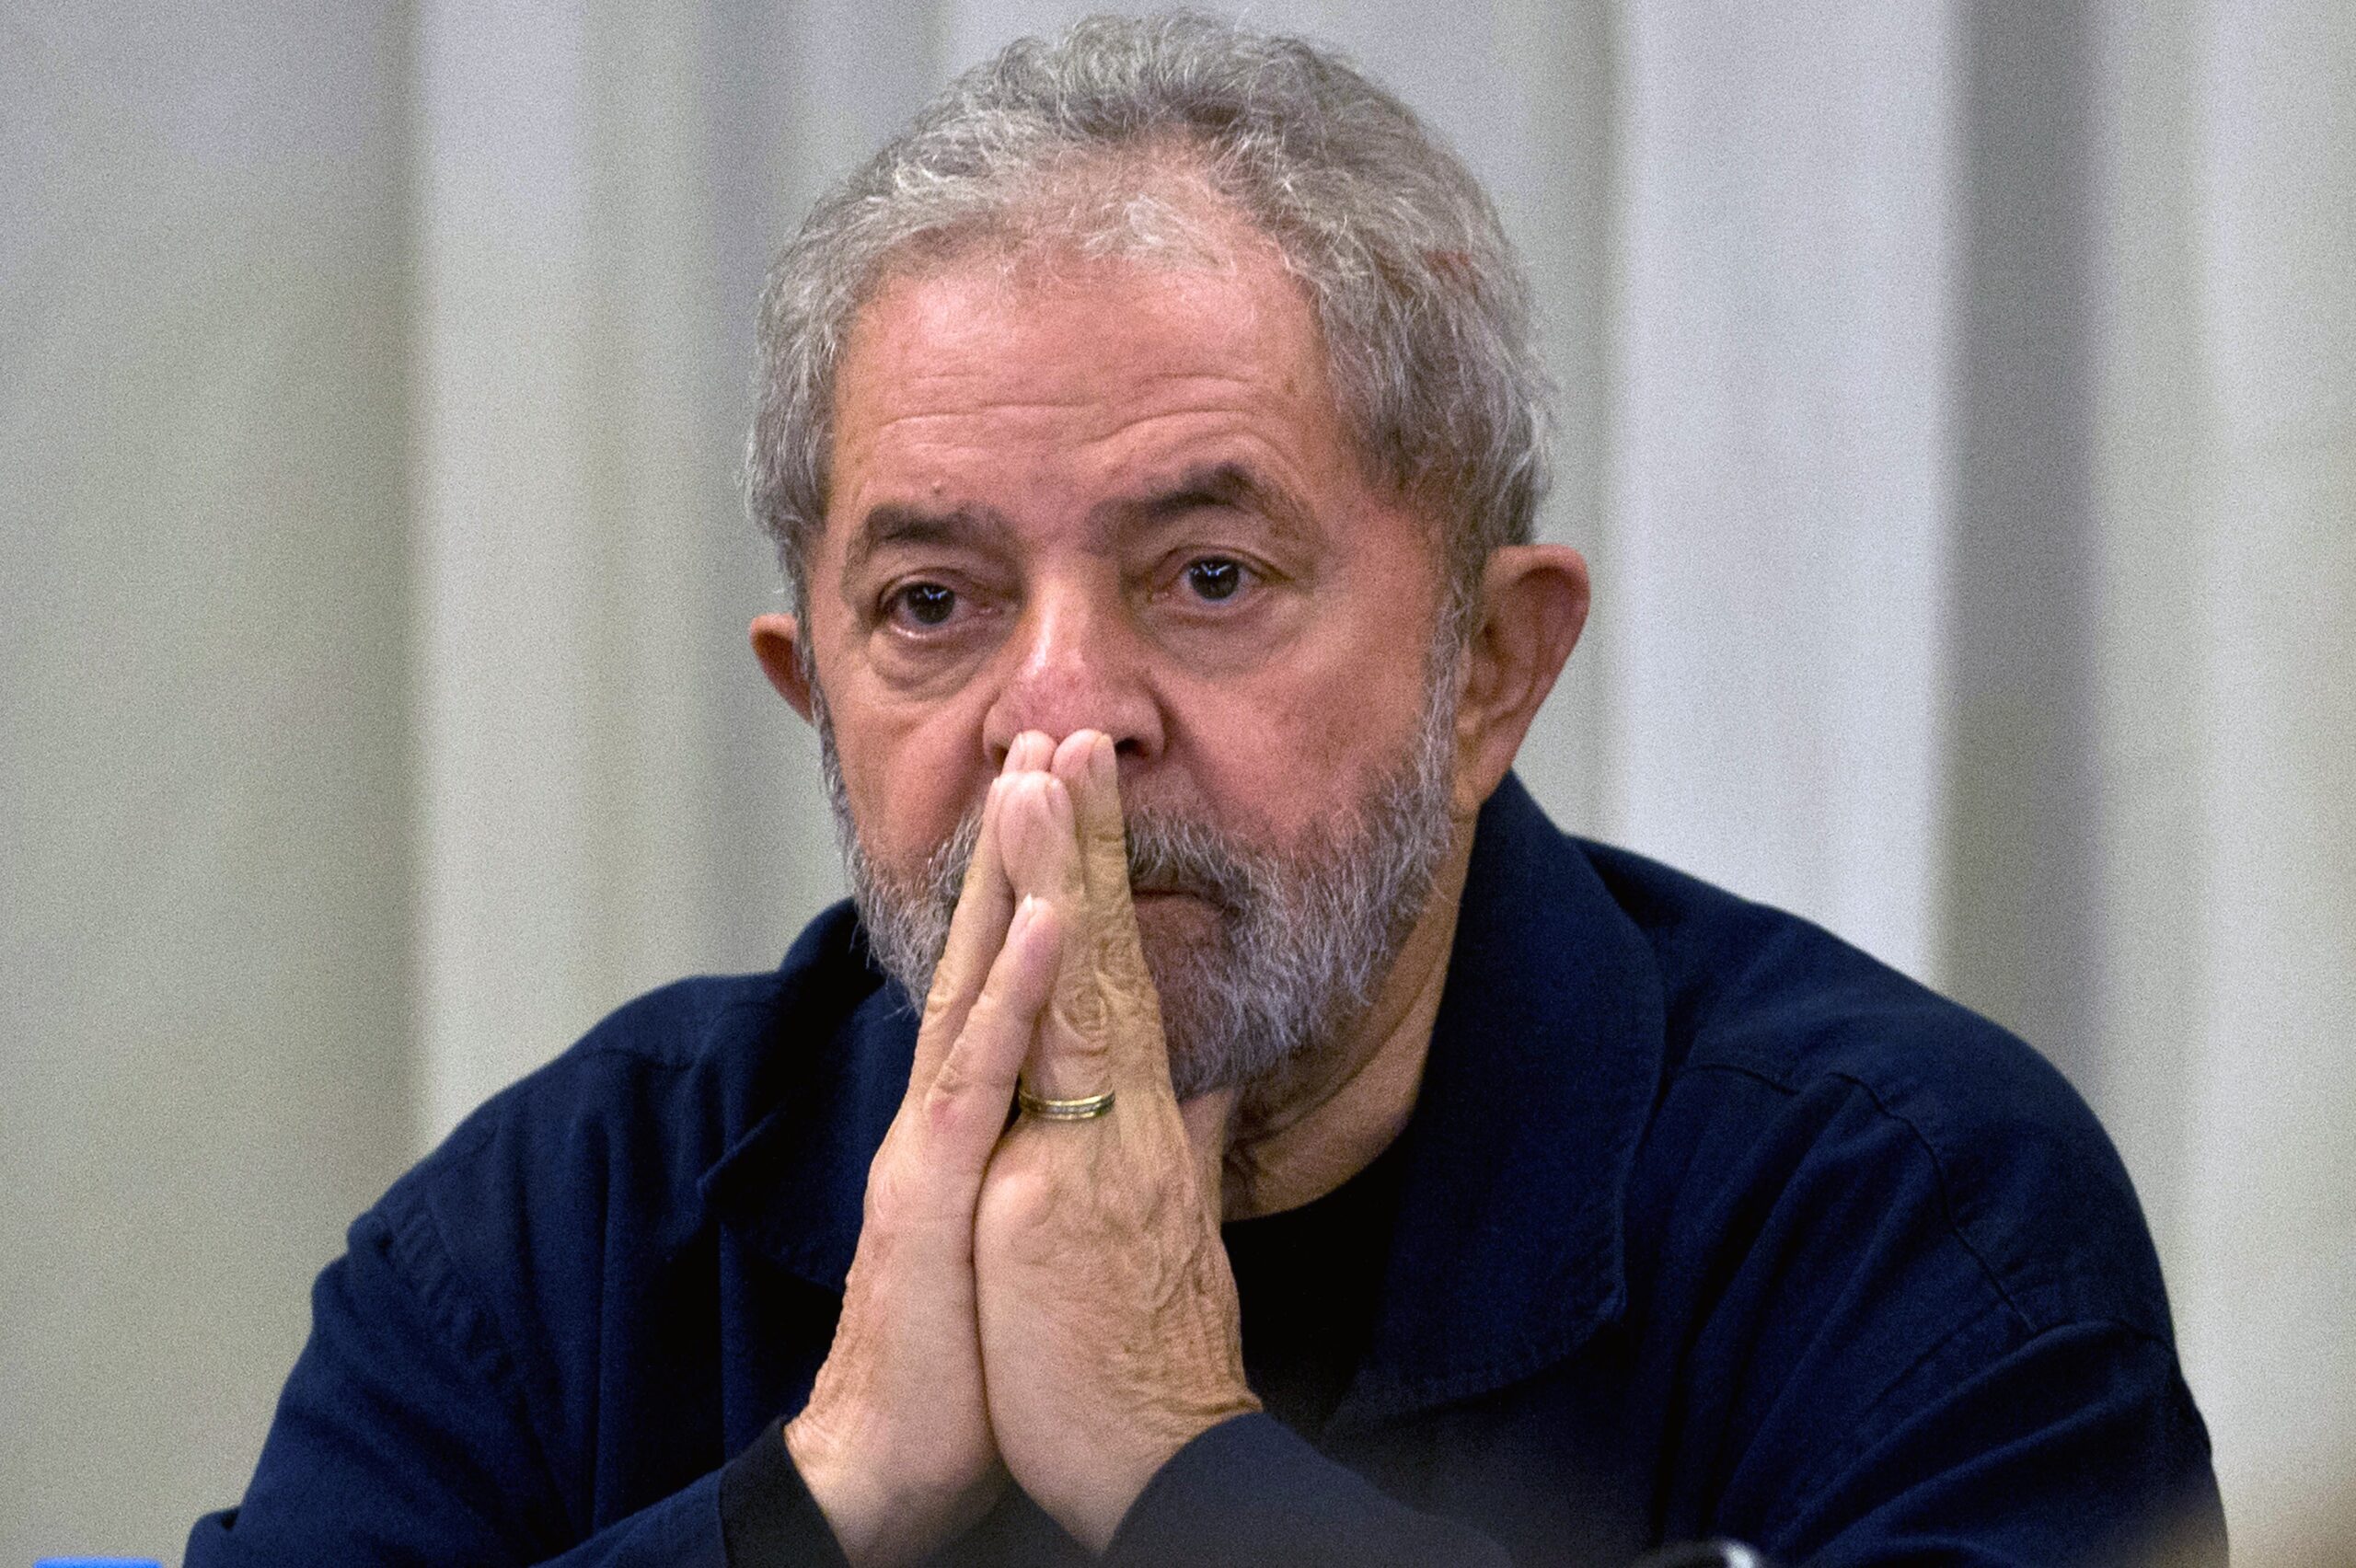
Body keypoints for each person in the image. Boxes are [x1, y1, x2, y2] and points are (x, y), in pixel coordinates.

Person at [186, 14, 2225, 1568]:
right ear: (812, 697)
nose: (1060, 720)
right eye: (932, 603)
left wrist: (1177, 1462)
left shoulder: (1902, 1214)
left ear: (1488, 669)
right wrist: (828, 1492)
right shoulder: (561, 1234)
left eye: (1210, 577)